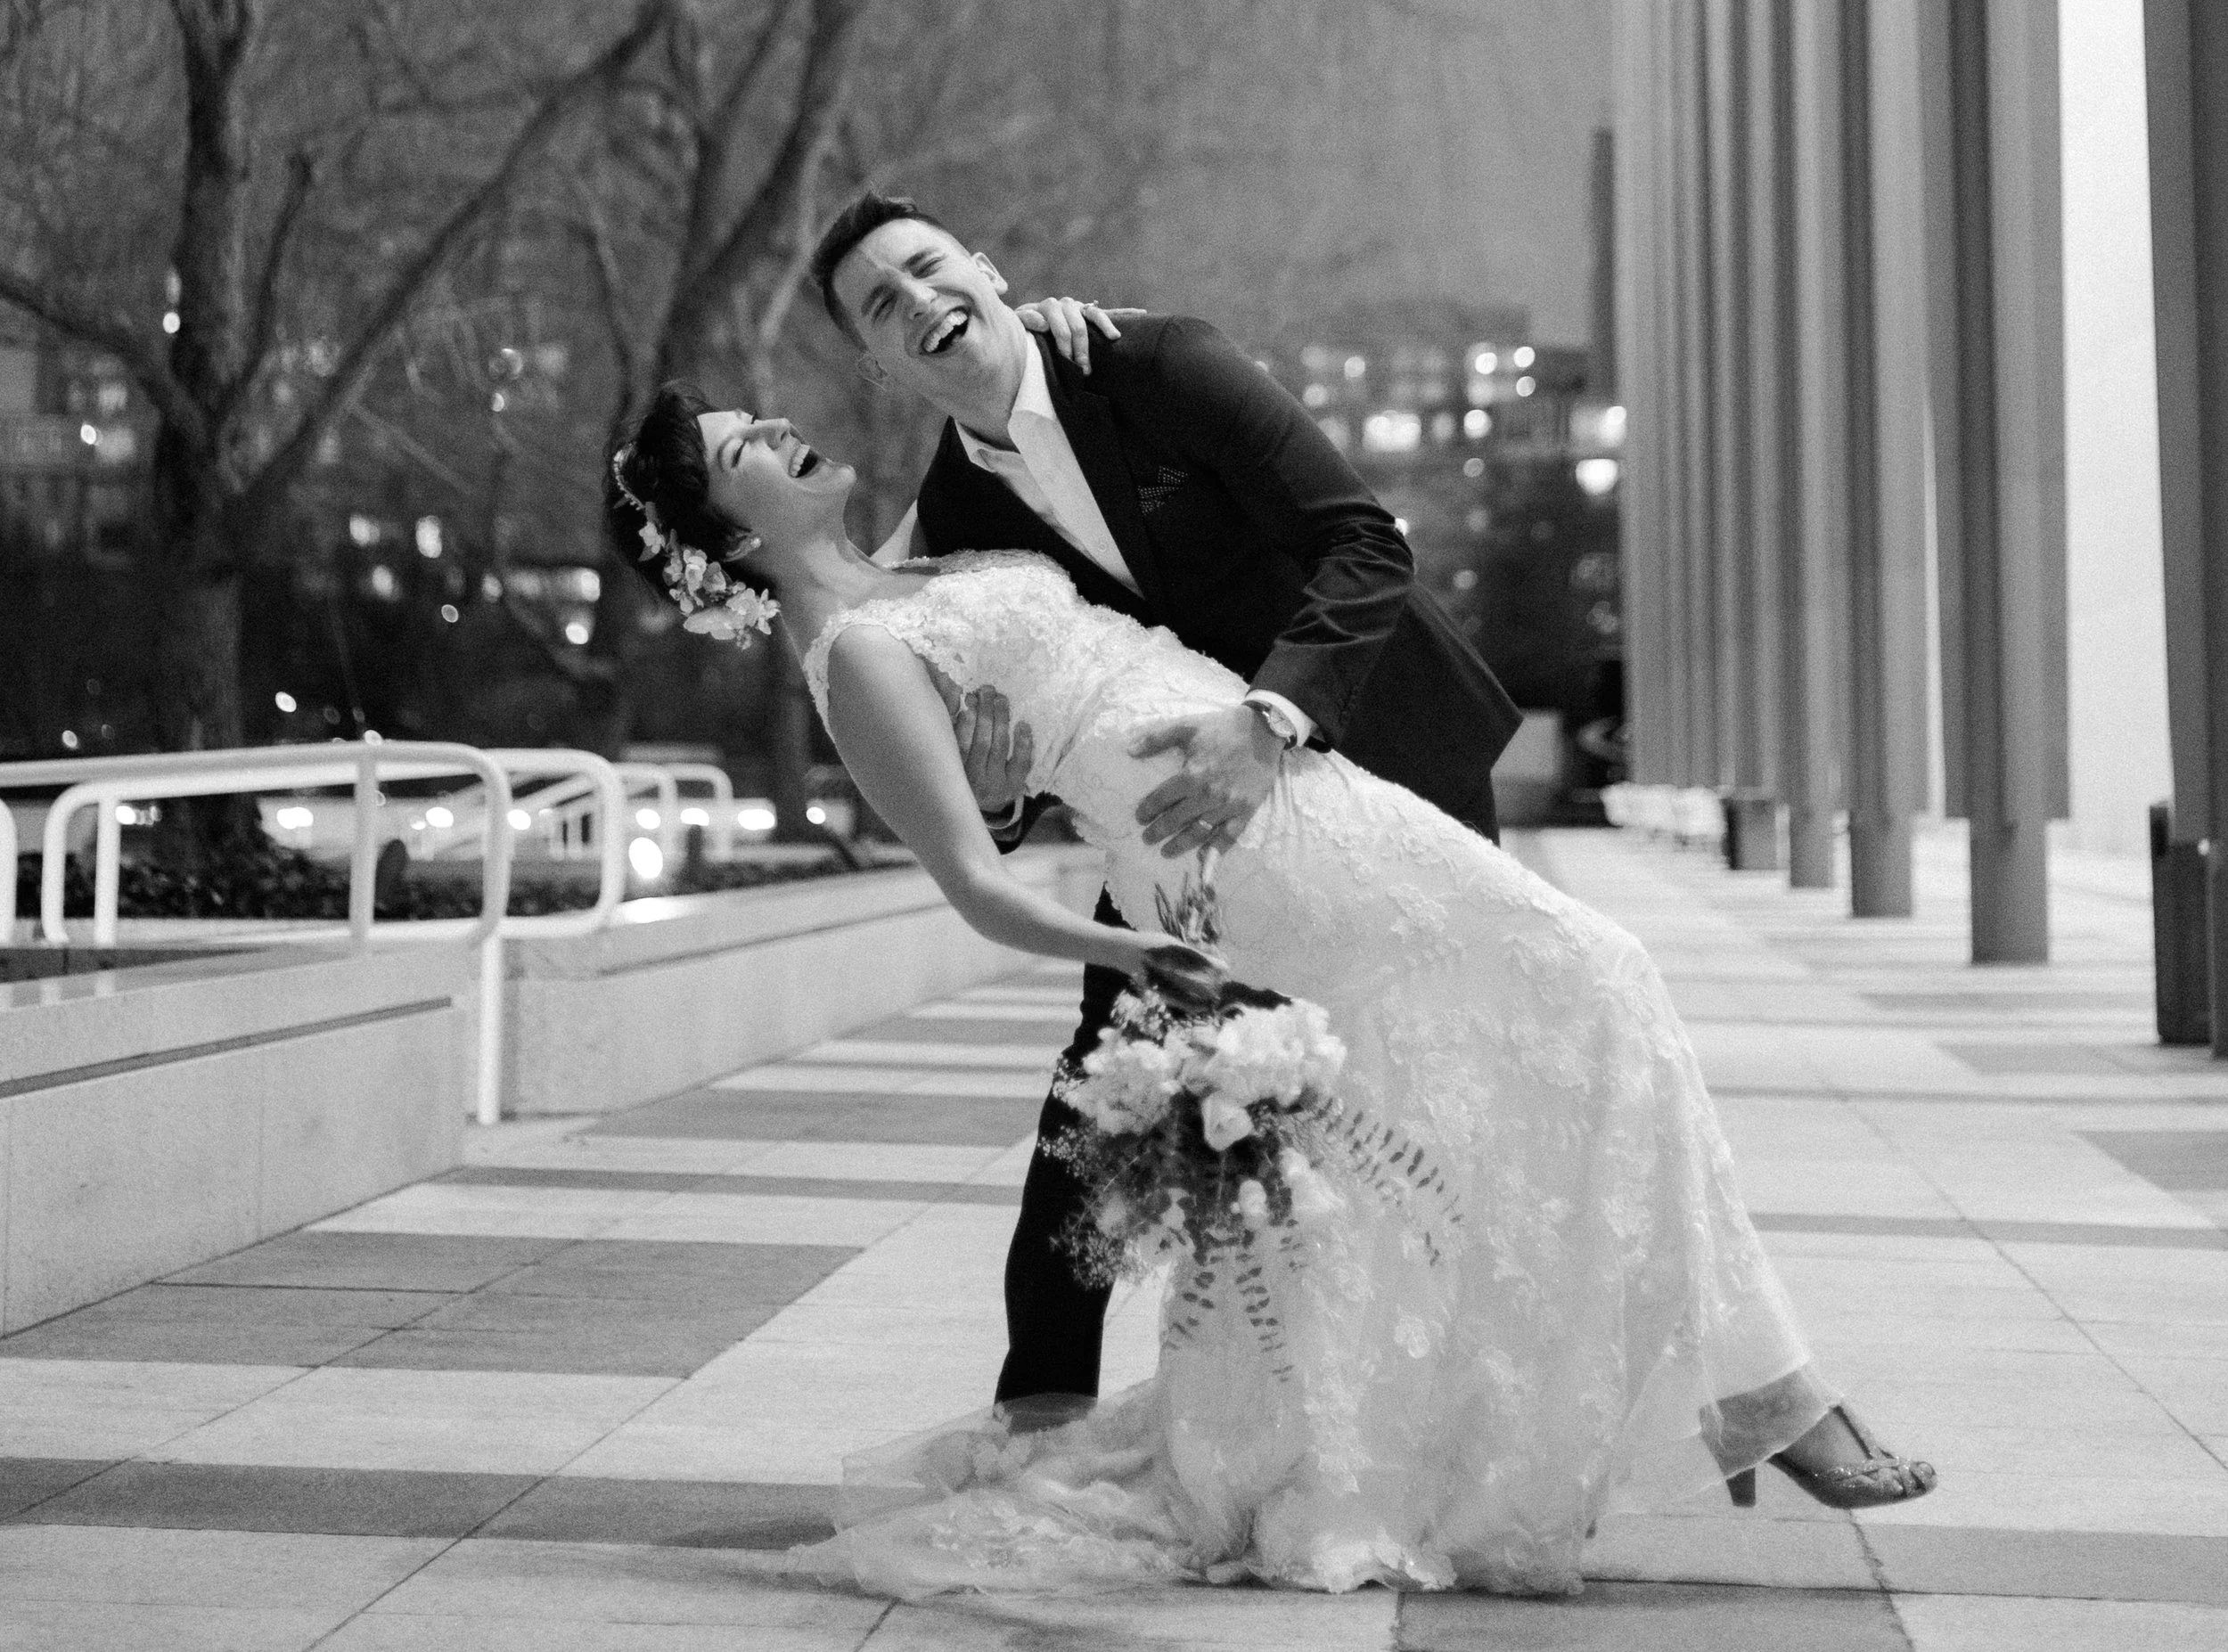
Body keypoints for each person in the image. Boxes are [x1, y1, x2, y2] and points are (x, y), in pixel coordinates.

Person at [604, 381, 1935, 1600]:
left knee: (1448, 1089)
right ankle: (1771, 1396)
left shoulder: (912, 560)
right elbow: (969, 875)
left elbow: (1007, 739)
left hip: (1291, 787)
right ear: (728, 539)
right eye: (742, 451)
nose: (777, 432)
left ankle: (1510, 1424)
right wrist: (1137, 956)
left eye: (758, 421)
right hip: (1225, 854)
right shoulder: (849, 652)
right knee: (1600, 974)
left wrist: (1011, 773)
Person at [810, 189, 1519, 1408]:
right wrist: (992, 802)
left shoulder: (1156, 363)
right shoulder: (957, 521)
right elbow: (1008, 753)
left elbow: (1365, 544)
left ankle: (1477, 1397)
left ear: (984, 268)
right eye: (883, 305)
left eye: (929, 269)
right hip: (1188, 840)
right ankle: (1035, 1431)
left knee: (1444, 1097)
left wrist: (1268, 720)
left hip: (1383, 760)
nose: (920, 302)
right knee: (1094, 1104)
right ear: (877, 367)